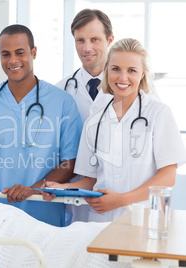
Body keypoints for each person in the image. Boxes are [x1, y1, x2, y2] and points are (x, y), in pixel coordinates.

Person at [43, 38, 186, 222]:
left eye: (131, 70)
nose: (122, 77)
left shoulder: (158, 114)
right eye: (116, 69)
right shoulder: (95, 121)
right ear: (107, 71)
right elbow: (91, 179)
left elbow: (168, 176)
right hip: (100, 223)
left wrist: (121, 200)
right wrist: (61, 189)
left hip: (141, 221)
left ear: (142, 74)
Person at [0, 24, 83, 226]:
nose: (12, 61)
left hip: (43, 214)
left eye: (20, 53)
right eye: (5, 54)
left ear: (33, 52)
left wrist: (34, 189)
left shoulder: (62, 102)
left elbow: (70, 162)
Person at [55, 9, 114, 123]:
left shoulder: (134, 87)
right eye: (80, 40)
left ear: (109, 40)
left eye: (94, 39)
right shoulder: (60, 90)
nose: (87, 48)